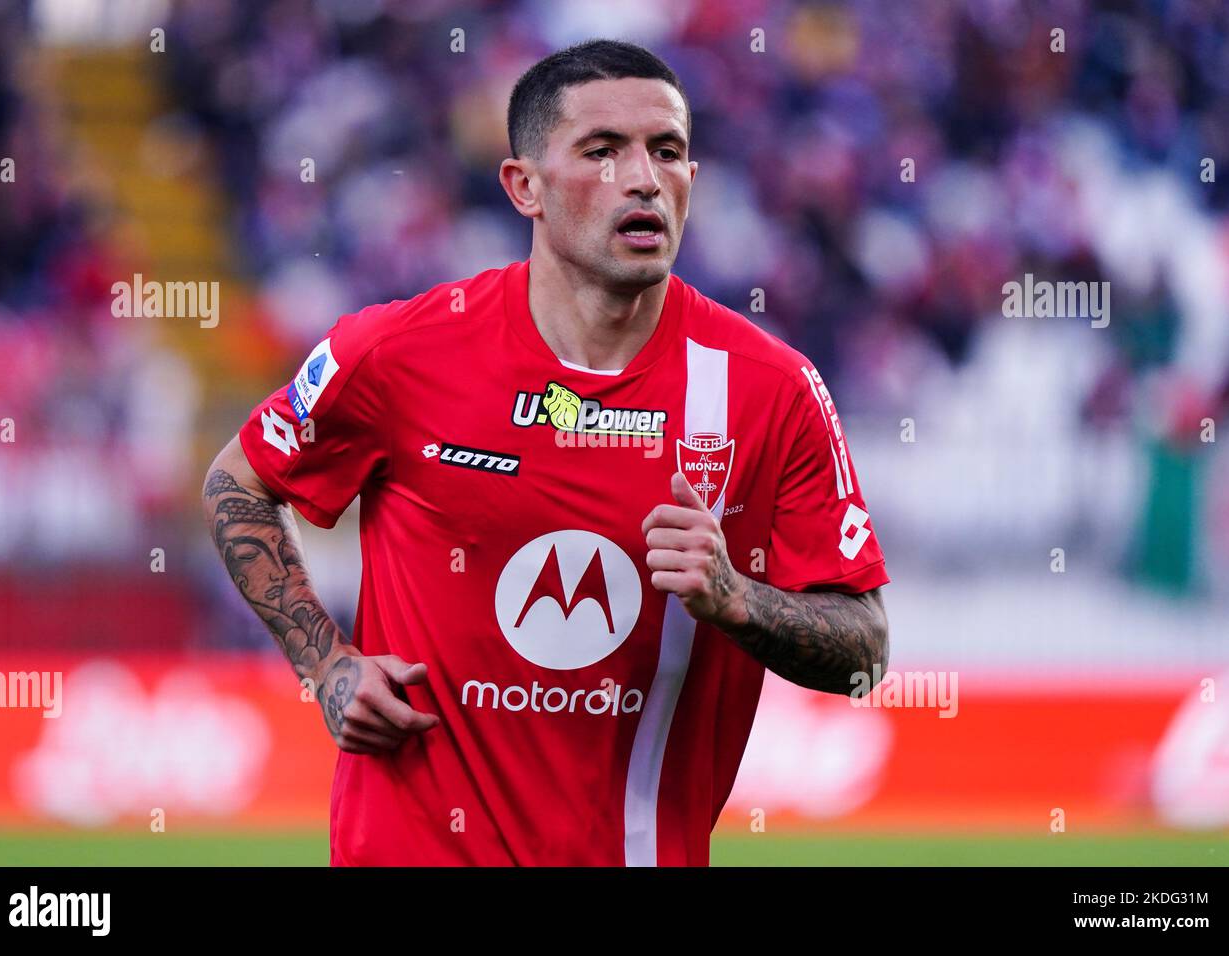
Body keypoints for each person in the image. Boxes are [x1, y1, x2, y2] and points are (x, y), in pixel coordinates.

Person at [202, 38, 889, 866]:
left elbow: (864, 653)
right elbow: (238, 481)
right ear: (523, 186)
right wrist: (326, 662)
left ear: (692, 181)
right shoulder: (398, 351)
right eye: (602, 152)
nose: (642, 178)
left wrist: (739, 600)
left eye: (667, 151)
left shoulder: (770, 389)